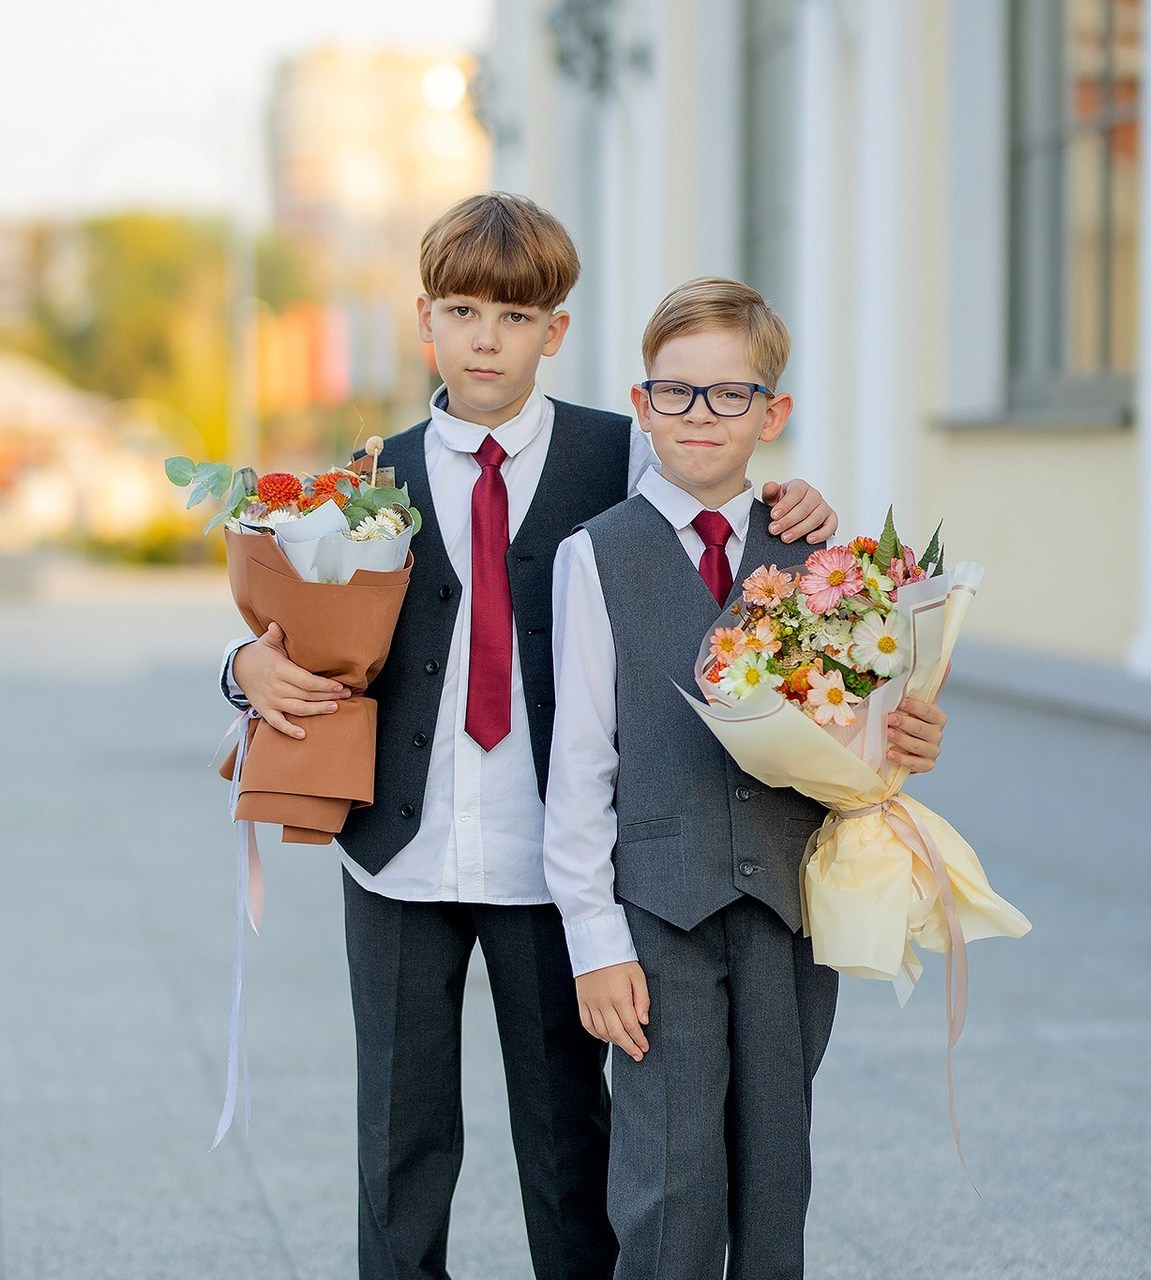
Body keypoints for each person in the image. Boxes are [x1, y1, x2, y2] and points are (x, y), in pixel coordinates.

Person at [220, 194, 841, 1280]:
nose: (485, 336)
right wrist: (239, 668)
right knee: (398, 1137)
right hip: (397, 849)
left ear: (555, 330)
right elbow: (287, 627)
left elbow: (714, 516)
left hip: (551, 867)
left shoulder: (622, 456)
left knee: (568, 1141)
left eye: (513, 316)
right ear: (425, 321)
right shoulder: (371, 476)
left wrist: (799, 507)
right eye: (461, 310)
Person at [543, 276, 947, 1280]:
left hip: (787, 906)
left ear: (773, 412)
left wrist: (905, 736)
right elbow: (579, 765)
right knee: (668, 1187)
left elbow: (857, 732)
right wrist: (594, 944)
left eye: (729, 394)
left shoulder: (822, 556)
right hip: (657, 919)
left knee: (775, 1175)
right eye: (673, 391)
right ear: (640, 406)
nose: (698, 414)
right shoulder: (593, 558)